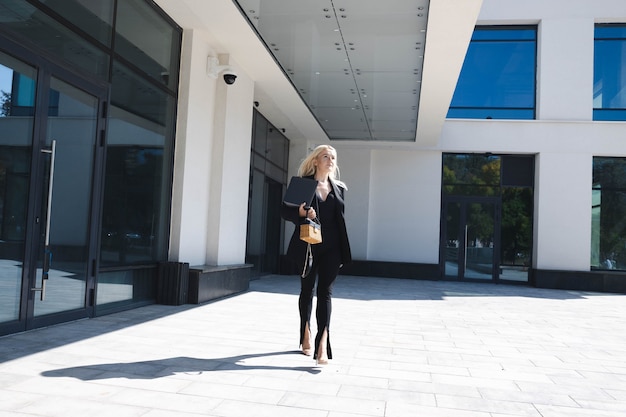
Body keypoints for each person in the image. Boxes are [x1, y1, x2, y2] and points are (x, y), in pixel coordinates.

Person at [281, 144, 352, 365]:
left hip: (333, 249)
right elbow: (285, 211)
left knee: (326, 293)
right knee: (306, 290)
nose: (330, 160)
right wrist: (301, 212)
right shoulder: (303, 184)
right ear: (315, 161)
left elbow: (339, 219)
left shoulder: (339, 188)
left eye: (333, 157)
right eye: (325, 156)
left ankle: (323, 343)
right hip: (308, 246)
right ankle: (305, 332)